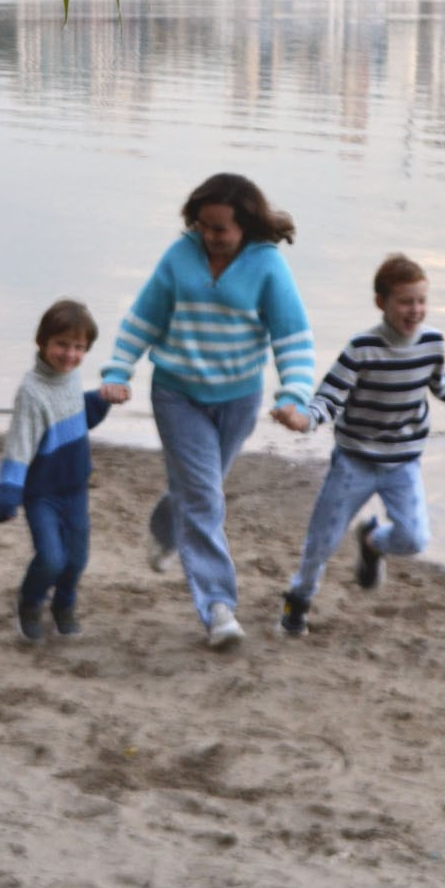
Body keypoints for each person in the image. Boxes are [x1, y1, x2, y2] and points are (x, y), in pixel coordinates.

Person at [102, 173, 314, 648]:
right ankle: (219, 607)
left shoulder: (267, 267)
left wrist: (294, 395)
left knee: (201, 489)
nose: (210, 237)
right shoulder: (180, 257)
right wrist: (118, 371)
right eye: (203, 227)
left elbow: (292, 336)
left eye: (220, 229)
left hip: (239, 398)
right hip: (177, 394)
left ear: (246, 226)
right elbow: (145, 316)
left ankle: (165, 524)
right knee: (205, 497)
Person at [272, 252, 445, 636]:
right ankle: (299, 599)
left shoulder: (432, 343)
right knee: (322, 540)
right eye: (405, 301)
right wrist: (303, 419)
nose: (415, 310)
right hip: (354, 461)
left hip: (403, 462)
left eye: (421, 301)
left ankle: (374, 542)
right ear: (382, 303)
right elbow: (330, 396)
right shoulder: (362, 348)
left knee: (413, 538)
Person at [0, 299, 128, 644]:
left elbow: (76, 417)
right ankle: (30, 601)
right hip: (43, 494)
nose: (69, 355)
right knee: (52, 558)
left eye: (78, 347)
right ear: (42, 342)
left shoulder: (69, 378)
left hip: (76, 488)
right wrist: (8, 492)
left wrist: (102, 399)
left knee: (77, 559)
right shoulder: (31, 392)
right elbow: (20, 443)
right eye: (61, 345)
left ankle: (64, 606)